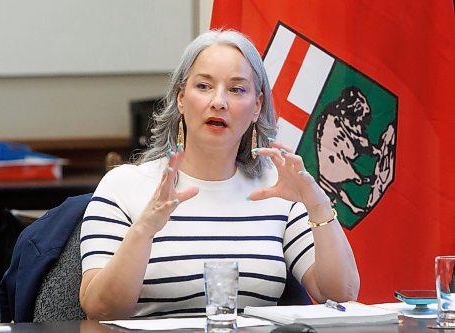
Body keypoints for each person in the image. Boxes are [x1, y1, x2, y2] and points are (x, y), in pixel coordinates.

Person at [79, 29, 360, 320]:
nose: (219, 102)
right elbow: (100, 309)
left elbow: (342, 293)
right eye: (203, 86)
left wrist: (316, 204)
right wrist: (145, 228)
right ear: (181, 99)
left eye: (237, 89)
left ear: (257, 106)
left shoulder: (276, 188)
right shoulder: (124, 186)